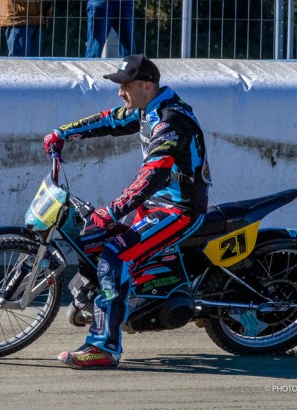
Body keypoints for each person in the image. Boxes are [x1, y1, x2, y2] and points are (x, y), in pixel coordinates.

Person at [43, 54, 211, 369]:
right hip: (155, 203)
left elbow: (154, 173)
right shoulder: (147, 109)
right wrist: (62, 133)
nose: (120, 92)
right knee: (95, 237)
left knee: (115, 254)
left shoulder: (172, 120)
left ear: (146, 86)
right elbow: (110, 120)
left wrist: (113, 210)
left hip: (179, 209)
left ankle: (104, 348)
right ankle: (121, 303)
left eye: (125, 86)